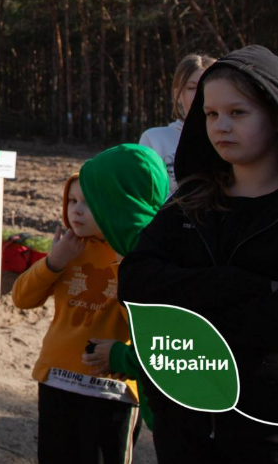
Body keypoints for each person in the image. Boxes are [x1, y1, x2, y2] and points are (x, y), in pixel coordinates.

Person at [119, 45, 278, 463]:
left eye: (238, 113)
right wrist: (238, 285)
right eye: (211, 114)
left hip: (265, 428)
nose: (221, 126)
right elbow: (134, 280)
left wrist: (188, 300)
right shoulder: (191, 202)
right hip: (183, 420)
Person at [11, 145, 167, 464]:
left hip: (112, 388)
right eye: (72, 201)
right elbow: (22, 298)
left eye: (89, 202)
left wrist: (129, 268)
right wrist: (52, 262)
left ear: (116, 206)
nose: (76, 211)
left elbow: (147, 324)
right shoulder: (68, 249)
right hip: (57, 378)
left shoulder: (137, 255)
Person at [138, 52, 216, 197]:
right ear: (178, 95)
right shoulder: (154, 139)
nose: (201, 94)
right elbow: (147, 195)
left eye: (207, 87)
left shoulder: (228, 137)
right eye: (192, 88)